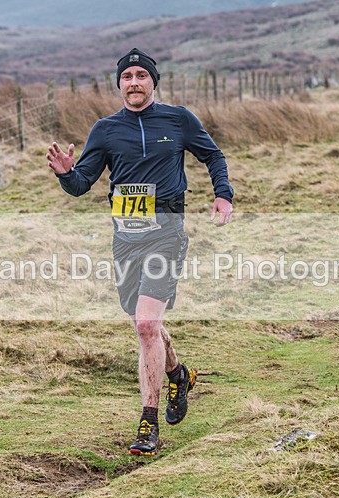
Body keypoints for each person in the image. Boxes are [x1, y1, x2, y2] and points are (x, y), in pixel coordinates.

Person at [46, 48, 234, 456]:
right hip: (125, 240)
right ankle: (178, 374)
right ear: (119, 84)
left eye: (141, 75)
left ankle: (148, 424)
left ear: (153, 81)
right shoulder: (106, 130)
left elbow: (213, 155)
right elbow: (82, 184)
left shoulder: (179, 119)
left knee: (146, 326)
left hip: (166, 234)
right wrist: (65, 173)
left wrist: (223, 195)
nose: (134, 82)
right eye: (127, 76)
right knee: (144, 321)